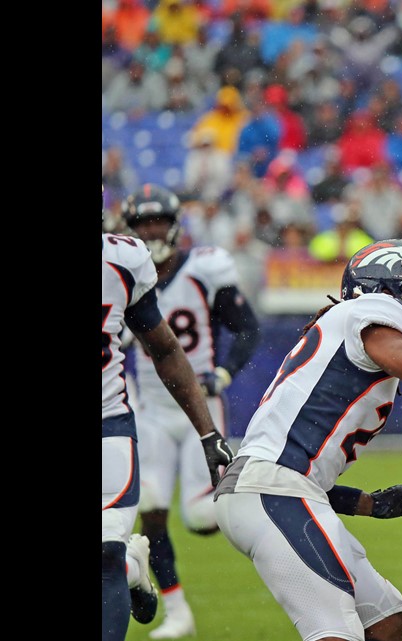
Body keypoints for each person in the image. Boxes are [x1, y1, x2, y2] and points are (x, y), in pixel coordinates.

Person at [212, 239, 402, 641]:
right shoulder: (373, 310)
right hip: (271, 491)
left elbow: (304, 468)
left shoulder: (350, 326)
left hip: (276, 488)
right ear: (391, 288)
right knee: (336, 631)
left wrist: (371, 504)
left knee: (385, 617)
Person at [120, 184, 262, 640]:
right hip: (150, 410)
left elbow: (246, 329)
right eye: (143, 224)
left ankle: (264, 502)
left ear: (175, 223)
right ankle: (177, 611)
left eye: (157, 221)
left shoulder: (203, 268)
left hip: (198, 406)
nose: (152, 231)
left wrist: (221, 374)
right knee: (152, 509)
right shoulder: (126, 271)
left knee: (200, 518)